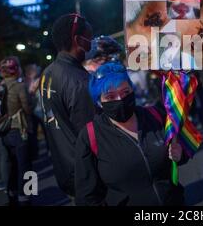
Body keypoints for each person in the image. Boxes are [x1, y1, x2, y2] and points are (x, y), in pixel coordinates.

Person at [75, 62, 188, 206]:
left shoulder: (155, 116)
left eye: (125, 92)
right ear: (99, 102)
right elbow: (87, 197)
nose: (120, 100)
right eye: (110, 96)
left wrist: (180, 153)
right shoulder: (90, 136)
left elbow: (181, 151)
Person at [40, 13, 95, 197]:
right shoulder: (78, 81)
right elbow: (91, 133)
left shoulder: (48, 72)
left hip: (64, 166)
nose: (92, 42)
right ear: (78, 40)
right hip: (86, 172)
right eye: (90, 36)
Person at [0, 56, 33, 205]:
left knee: (11, 165)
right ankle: (27, 197)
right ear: (16, 69)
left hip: (4, 131)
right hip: (20, 130)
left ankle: (11, 196)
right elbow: (27, 108)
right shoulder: (19, 86)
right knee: (26, 166)